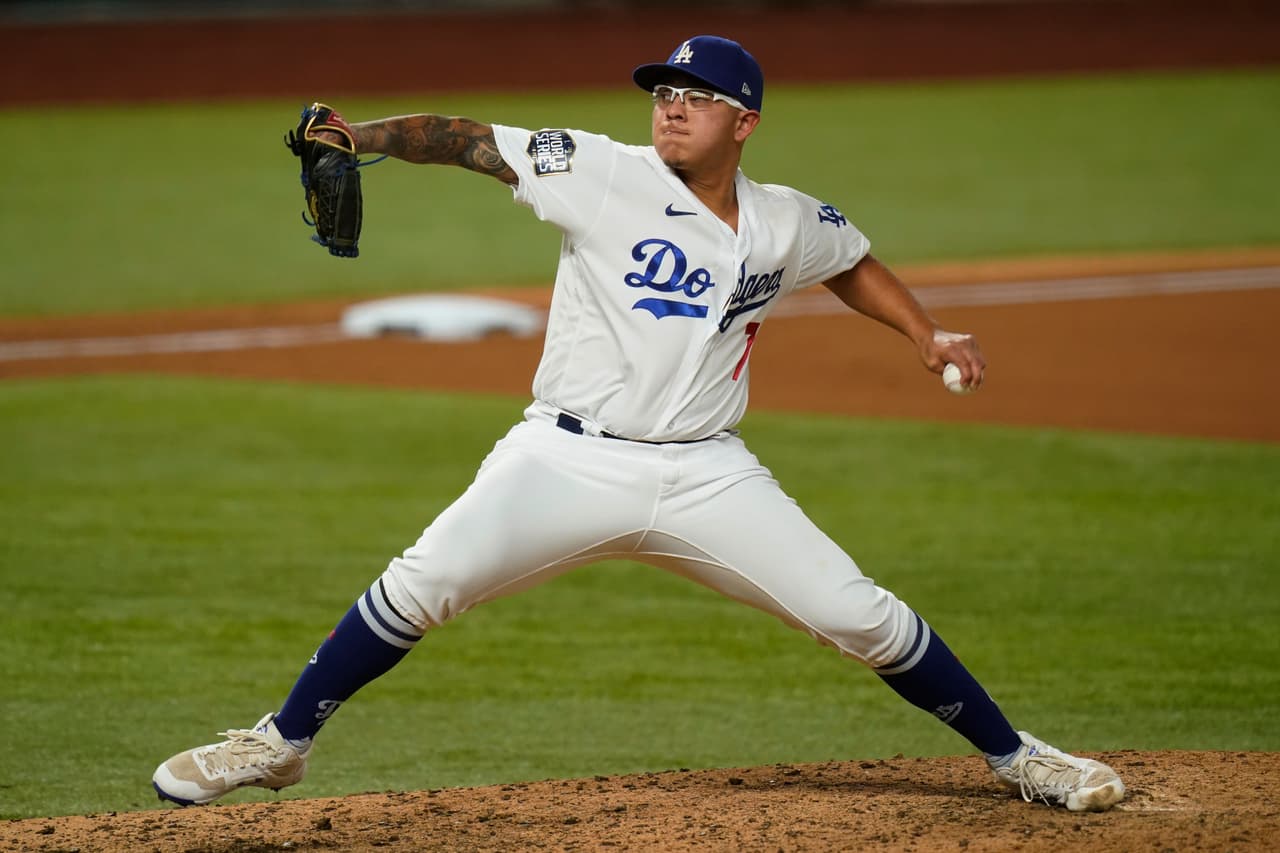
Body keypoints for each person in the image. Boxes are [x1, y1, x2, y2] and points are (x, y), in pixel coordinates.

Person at [153, 35, 1124, 813]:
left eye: (695, 97)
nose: (670, 106)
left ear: (743, 121)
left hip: (709, 475)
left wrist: (924, 331)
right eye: (663, 92)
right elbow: (463, 138)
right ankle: (280, 743)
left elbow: (848, 261)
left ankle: (1017, 756)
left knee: (858, 614)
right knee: (422, 583)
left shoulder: (783, 220)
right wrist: (351, 134)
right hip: (564, 459)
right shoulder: (601, 170)